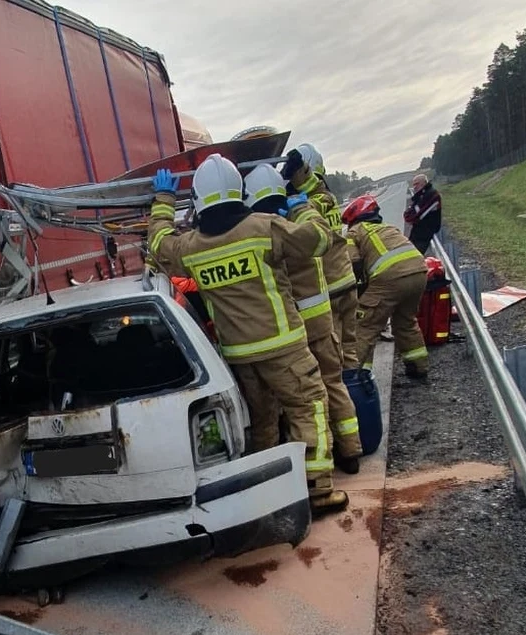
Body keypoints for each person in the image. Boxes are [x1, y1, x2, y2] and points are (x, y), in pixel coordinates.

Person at [146, 154, 348, 514]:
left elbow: (159, 244)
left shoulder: (191, 247)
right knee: (308, 408)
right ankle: (317, 491)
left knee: (263, 424)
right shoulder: (263, 228)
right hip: (283, 346)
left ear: (198, 198)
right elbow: (320, 240)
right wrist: (302, 206)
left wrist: (162, 201)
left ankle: (271, 495)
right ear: (239, 193)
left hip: (238, 356)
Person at [243, 163, 363, 473]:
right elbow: (323, 221)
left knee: (295, 404)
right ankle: (349, 452)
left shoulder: (267, 230)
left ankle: (297, 466)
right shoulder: (300, 221)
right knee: (332, 386)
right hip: (321, 323)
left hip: (290, 333)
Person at [281, 144, 361, 368]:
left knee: (334, 357)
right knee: (350, 348)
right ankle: (359, 391)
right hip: (346, 282)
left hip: (330, 289)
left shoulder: (313, 203)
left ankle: (347, 397)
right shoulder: (329, 198)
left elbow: (306, 207)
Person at [341, 194, 429, 380]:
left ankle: (359, 377)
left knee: (364, 325)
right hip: (420, 272)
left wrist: (359, 294)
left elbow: (353, 263)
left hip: (390, 278)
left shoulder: (354, 232)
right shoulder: (388, 228)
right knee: (406, 321)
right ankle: (418, 368)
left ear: (353, 219)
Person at [403, 174, 442, 254]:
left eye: (417, 184)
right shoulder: (420, 196)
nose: (414, 187)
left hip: (425, 235)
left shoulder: (432, 195)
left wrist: (413, 213)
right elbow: (408, 215)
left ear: (424, 183)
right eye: (413, 184)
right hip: (417, 234)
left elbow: (415, 216)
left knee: (414, 260)